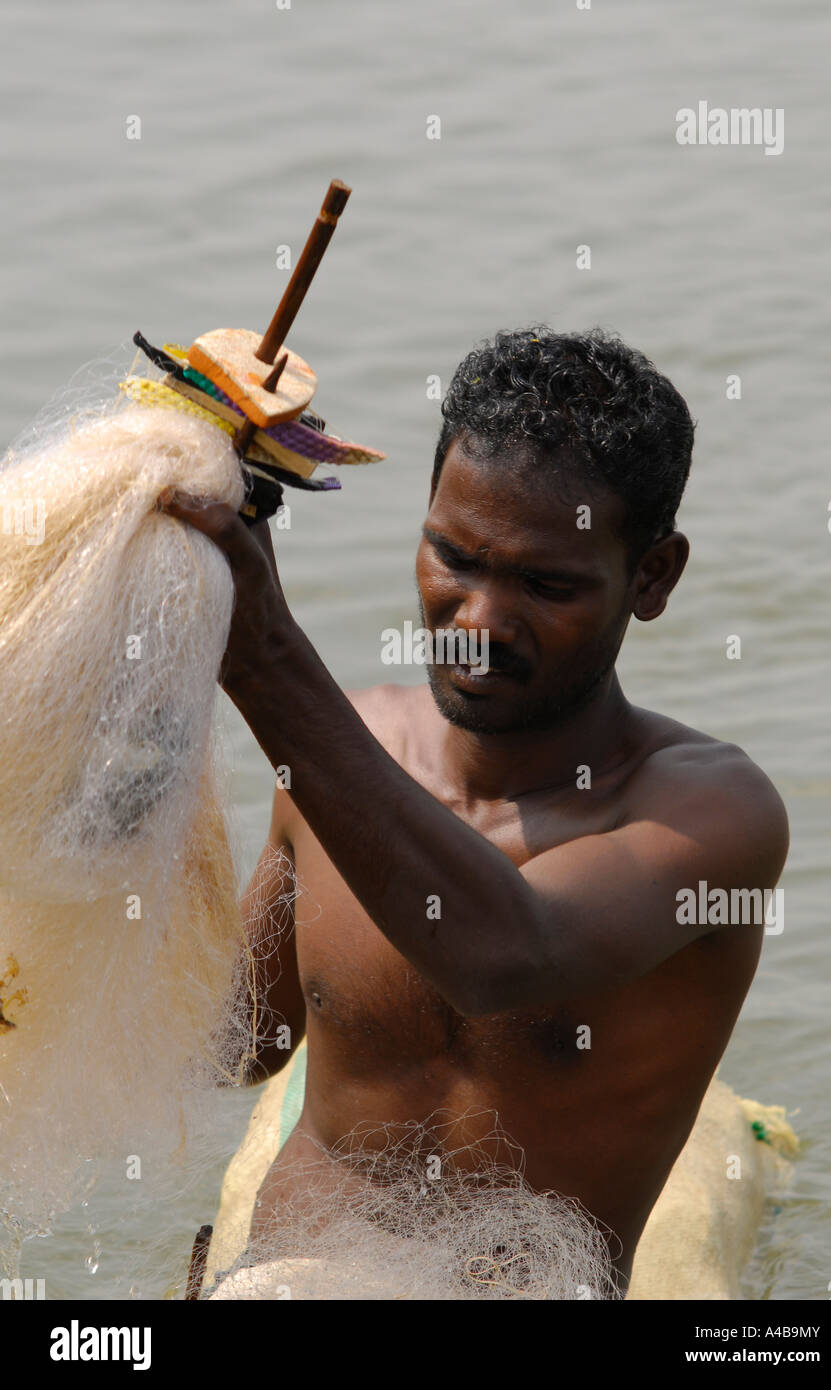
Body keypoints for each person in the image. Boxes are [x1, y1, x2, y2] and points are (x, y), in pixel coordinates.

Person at [164, 327, 789, 1292]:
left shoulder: (712, 813)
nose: (480, 624)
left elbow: (503, 958)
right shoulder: (347, 753)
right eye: (455, 556)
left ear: (653, 576)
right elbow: (233, 1044)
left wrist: (263, 660)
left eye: (546, 585)